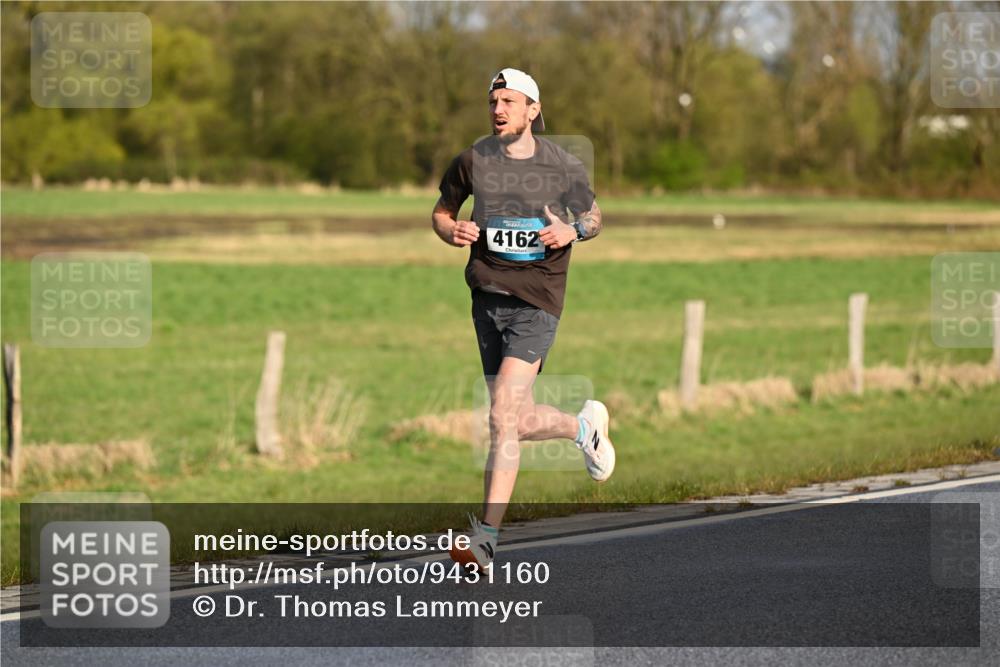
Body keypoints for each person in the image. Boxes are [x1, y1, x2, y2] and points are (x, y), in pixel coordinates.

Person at [431, 68, 616, 571]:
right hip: (486, 299)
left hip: (537, 300)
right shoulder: (473, 160)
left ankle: (485, 540)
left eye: (509, 101)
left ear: (533, 109)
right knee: (514, 418)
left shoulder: (560, 166)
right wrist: (452, 232)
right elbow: (442, 212)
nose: (498, 109)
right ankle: (583, 428)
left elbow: (596, 217)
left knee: (499, 418)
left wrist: (573, 231)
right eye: (493, 101)